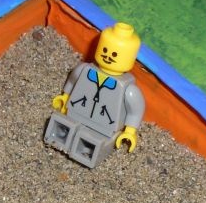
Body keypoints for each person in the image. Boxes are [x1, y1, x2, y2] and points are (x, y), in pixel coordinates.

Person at [44, 22, 146, 169]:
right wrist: (65, 97)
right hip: (74, 114)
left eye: (114, 54)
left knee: (95, 145)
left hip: (105, 129)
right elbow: (72, 81)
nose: (108, 55)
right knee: (63, 129)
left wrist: (129, 131)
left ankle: (85, 152)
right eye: (105, 50)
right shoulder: (84, 70)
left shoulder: (127, 89)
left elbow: (135, 110)